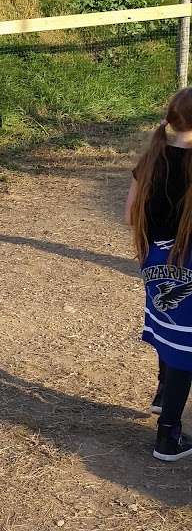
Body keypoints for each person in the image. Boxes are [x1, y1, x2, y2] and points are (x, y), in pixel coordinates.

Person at [127, 87, 192, 462]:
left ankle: (162, 393)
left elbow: (129, 214)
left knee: (168, 326)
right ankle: (168, 436)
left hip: (155, 258)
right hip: (189, 263)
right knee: (186, 346)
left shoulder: (152, 157)